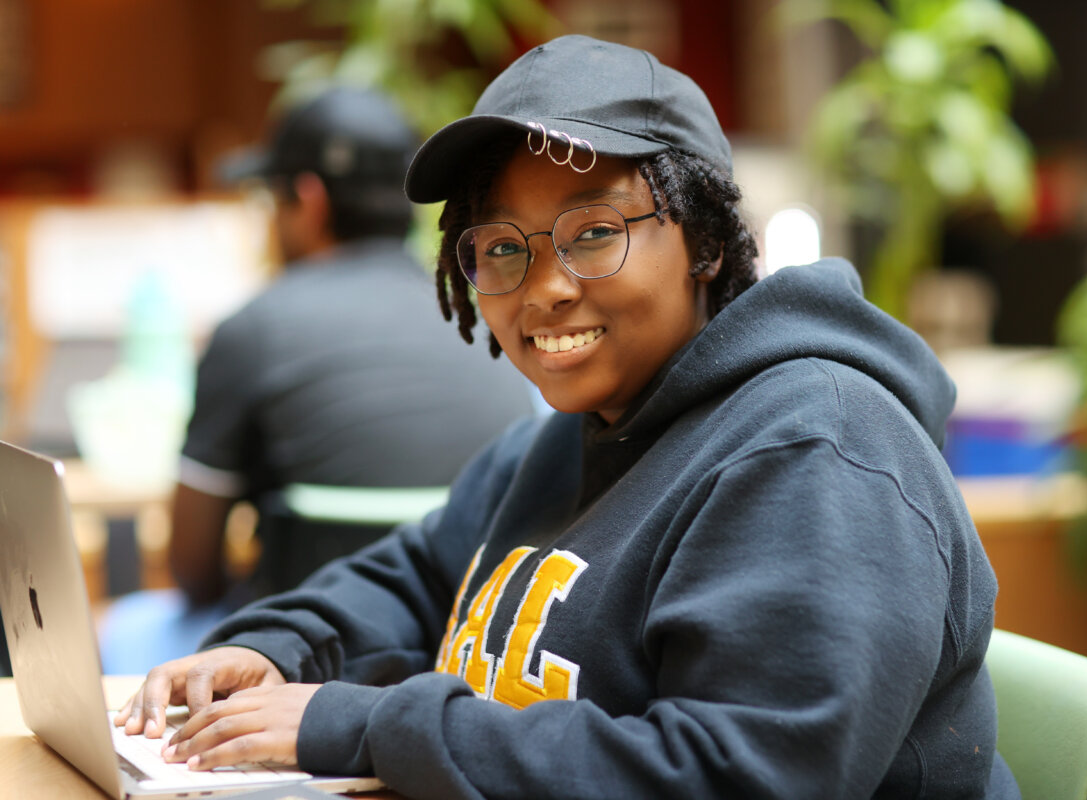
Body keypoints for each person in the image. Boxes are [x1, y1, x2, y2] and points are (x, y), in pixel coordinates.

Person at [115, 36, 1019, 798]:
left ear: (703, 239)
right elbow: (421, 574)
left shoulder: (818, 450)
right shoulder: (571, 438)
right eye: (501, 248)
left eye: (594, 232)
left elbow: (738, 776)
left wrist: (365, 724)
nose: (543, 288)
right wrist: (279, 652)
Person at [99, 85, 535, 671]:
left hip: (295, 652)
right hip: (461, 651)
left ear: (308, 202)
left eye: (272, 202)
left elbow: (192, 571)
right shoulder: (487, 318)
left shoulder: (255, 329)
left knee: (127, 628)